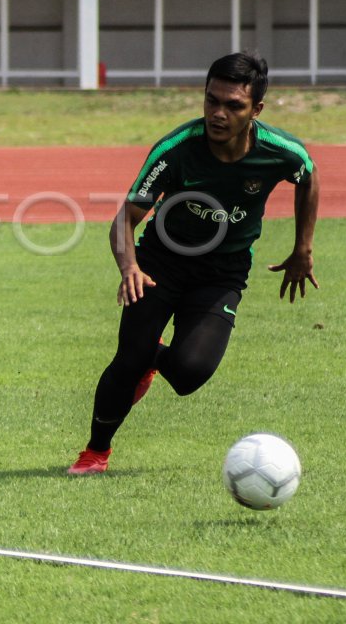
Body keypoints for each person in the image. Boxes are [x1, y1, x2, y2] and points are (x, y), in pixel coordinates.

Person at [67, 52, 320, 475]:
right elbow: (124, 220)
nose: (218, 114)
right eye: (211, 101)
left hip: (223, 271)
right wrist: (129, 267)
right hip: (160, 262)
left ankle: (152, 358)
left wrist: (303, 249)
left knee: (189, 374)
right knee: (128, 358)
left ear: (256, 110)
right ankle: (96, 452)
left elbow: (308, 177)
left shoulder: (281, 152)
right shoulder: (176, 150)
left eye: (233, 105)